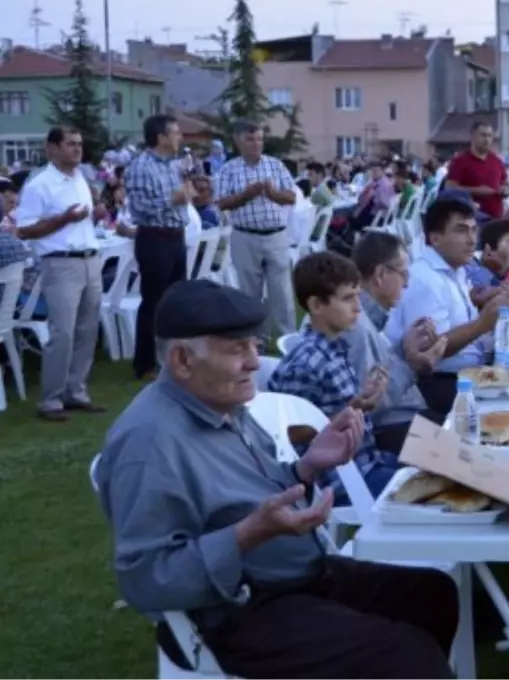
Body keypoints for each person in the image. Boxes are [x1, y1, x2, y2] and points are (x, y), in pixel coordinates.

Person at [95, 279, 458, 679]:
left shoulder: (221, 403)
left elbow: (254, 494)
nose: (255, 361)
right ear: (182, 360)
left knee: (433, 595)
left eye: (255, 344)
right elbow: (147, 578)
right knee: (408, 657)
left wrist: (307, 468)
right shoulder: (148, 444)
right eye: (237, 350)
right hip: (239, 610)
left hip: (299, 577)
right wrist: (247, 534)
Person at [268, 252, 397, 504]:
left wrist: (363, 400)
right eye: (348, 298)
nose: (358, 307)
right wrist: (356, 407)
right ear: (316, 306)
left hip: (368, 462)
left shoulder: (333, 347)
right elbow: (288, 434)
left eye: (357, 296)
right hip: (343, 481)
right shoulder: (306, 362)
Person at [387, 197, 509, 415]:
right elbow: (431, 351)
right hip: (439, 385)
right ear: (435, 238)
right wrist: (483, 323)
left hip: (469, 374)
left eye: (474, 230)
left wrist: (485, 302)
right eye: (461, 231)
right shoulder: (425, 279)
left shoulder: (455, 269)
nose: (471, 240)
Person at [14, 127, 107, 421]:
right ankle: (51, 400)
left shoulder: (80, 178)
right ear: (52, 148)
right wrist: (64, 219)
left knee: (87, 329)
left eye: (79, 144)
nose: (77, 149)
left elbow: (83, 219)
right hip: (61, 262)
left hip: (89, 259)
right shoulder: (40, 185)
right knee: (63, 332)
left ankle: (76, 391)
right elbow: (25, 229)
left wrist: (96, 215)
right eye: (70, 144)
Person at [348, 231, 447, 453]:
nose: (407, 283)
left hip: (405, 420)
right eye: (404, 274)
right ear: (381, 274)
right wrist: (412, 366)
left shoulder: (367, 318)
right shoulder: (356, 323)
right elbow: (371, 405)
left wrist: (404, 349)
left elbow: (377, 366)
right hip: (391, 431)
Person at [216, 120, 299, 344]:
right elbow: (222, 203)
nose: (256, 144)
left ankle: (288, 338)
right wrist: (247, 195)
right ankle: (257, 339)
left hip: (275, 235)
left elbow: (291, 197)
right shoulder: (229, 169)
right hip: (245, 235)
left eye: (260, 139)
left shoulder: (275, 165)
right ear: (238, 141)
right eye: (250, 139)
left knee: (281, 290)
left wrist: (273, 194)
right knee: (249, 292)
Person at [124, 114, 193, 380]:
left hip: (176, 236)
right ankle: (145, 363)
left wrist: (189, 193)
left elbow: (182, 198)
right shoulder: (141, 167)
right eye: (175, 133)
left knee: (175, 301)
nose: (180, 138)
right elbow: (140, 209)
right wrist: (173, 198)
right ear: (161, 137)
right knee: (153, 301)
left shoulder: (173, 165)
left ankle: (173, 356)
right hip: (155, 238)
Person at [444, 121, 508, 219]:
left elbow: (505, 182)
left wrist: (505, 190)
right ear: (472, 136)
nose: (487, 139)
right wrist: (477, 191)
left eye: (489, 136)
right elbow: (449, 188)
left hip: (496, 219)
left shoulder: (496, 160)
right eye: (483, 135)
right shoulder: (460, 161)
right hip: (472, 219)